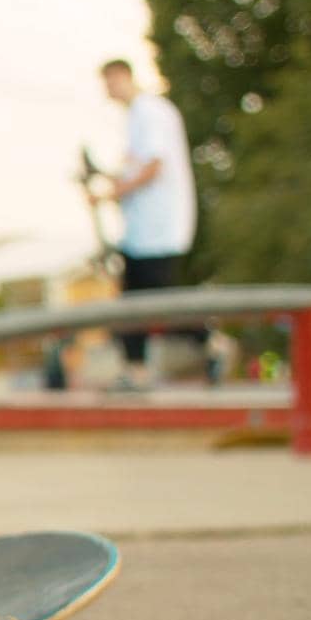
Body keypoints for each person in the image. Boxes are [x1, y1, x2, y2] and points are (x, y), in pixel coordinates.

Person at [90, 58, 204, 389]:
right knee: (136, 302)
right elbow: (136, 169)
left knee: (155, 302)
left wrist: (113, 194)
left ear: (123, 76)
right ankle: (136, 369)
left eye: (110, 82)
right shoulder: (139, 117)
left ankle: (209, 342)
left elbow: (154, 167)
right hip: (143, 231)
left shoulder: (149, 112)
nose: (108, 90)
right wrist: (106, 182)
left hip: (157, 229)